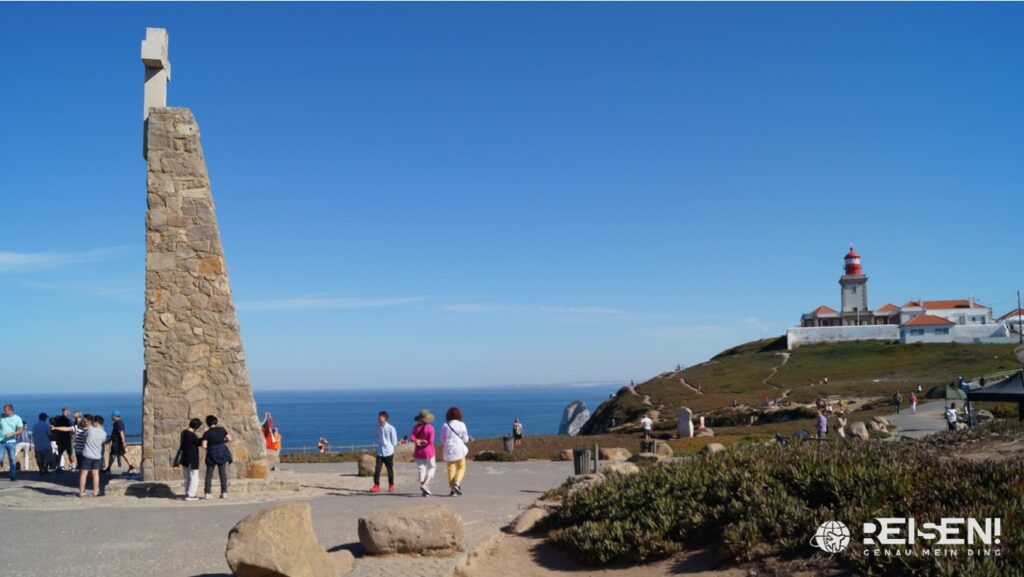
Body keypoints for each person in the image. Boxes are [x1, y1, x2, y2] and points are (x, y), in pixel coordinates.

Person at [441, 406, 470, 496]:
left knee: (451, 468)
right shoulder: (462, 424)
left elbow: (442, 439)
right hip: (459, 448)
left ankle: (452, 489)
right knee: (461, 467)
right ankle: (456, 484)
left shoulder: (445, 425)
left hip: (448, 449)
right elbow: (465, 438)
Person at [201, 415, 232, 499]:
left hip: (211, 454)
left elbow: (204, 446)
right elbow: (229, 439)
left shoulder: (206, 433)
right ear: (216, 422)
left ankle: (207, 493)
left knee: (209, 474)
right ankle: (224, 492)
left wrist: (210, 446)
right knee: (222, 474)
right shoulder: (222, 430)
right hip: (222, 453)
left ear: (207, 423)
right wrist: (222, 441)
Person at [78, 415, 106, 497]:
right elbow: (102, 442)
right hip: (97, 455)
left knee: (84, 474)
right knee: (95, 474)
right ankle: (95, 491)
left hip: (87, 454)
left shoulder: (89, 430)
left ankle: (81, 492)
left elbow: (84, 439)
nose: (92, 423)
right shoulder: (104, 433)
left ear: (96, 422)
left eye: (93, 421)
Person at [411, 409, 436, 497]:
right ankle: (425, 485)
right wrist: (423, 441)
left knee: (421, 469)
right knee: (432, 467)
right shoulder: (430, 428)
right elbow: (431, 440)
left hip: (418, 451)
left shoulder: (416, 427)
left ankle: (424, 489)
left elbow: (412, 437)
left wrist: (417, 441)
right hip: (429, 451)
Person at [371, 411, 398, 493]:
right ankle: (376, 485)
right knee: (377, 469)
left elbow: (394, 442)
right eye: (378, 417)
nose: (379, 418)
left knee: (389, 469)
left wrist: (393, 445)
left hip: (388, 452)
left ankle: (391, 485)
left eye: (381, 417)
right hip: (380, 451)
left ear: (385, 418)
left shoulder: (391, 428)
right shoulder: (378, 428)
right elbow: (379, 438)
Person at [178, 418, 202, 501]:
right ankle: (191, 495)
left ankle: (187, 492)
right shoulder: (191, 435)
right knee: (194, 477)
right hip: (192, 458)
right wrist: (205, 435)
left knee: (186, 476)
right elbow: (198, 443)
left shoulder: (184, 432)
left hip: (184, 458)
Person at [1, 404, 26, 481]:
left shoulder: (17, 418)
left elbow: (21, 430)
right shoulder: (1, 416)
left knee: (12, 459)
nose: (4, 412)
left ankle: (13, 476)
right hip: (1, 441)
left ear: (10, 410)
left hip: (11, 442)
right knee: (0, 458)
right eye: (4, 410)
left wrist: (12, 433)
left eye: (5, 410)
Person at [51, 407, 74, 472]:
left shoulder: (57, 419)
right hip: (67, 438)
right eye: (68, 412)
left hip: (59, 438)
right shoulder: (68, 420)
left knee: (60, 453)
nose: (69, 413)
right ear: (65, 411)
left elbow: (55, 427)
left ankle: (58, 466)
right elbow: (71, 429)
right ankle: (73, 465)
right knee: (70, 453)